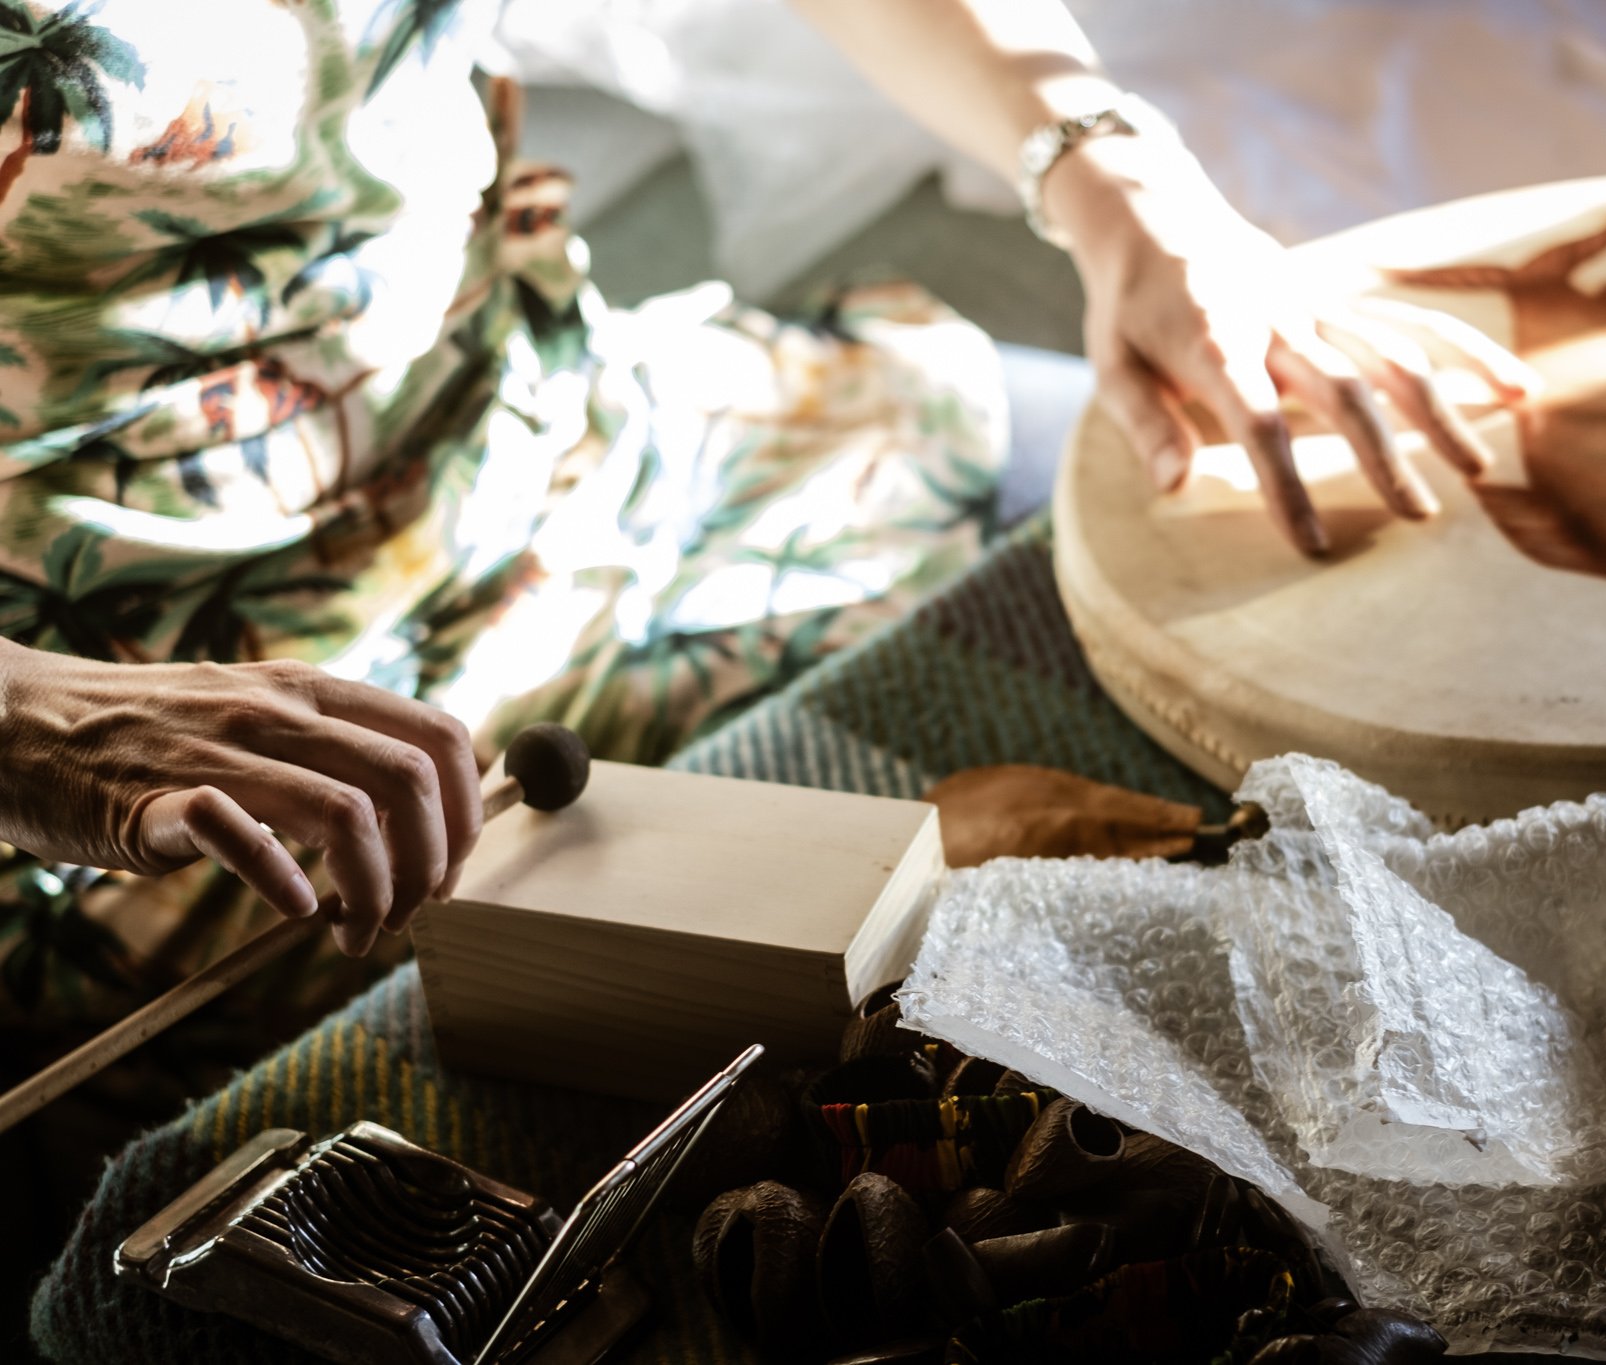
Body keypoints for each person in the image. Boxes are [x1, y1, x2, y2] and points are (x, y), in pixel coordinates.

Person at [0, 0, 1511, 963]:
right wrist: (34, 724)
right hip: (223, 763)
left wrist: (1114, 178)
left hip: (606, 435)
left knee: (1389, 575)